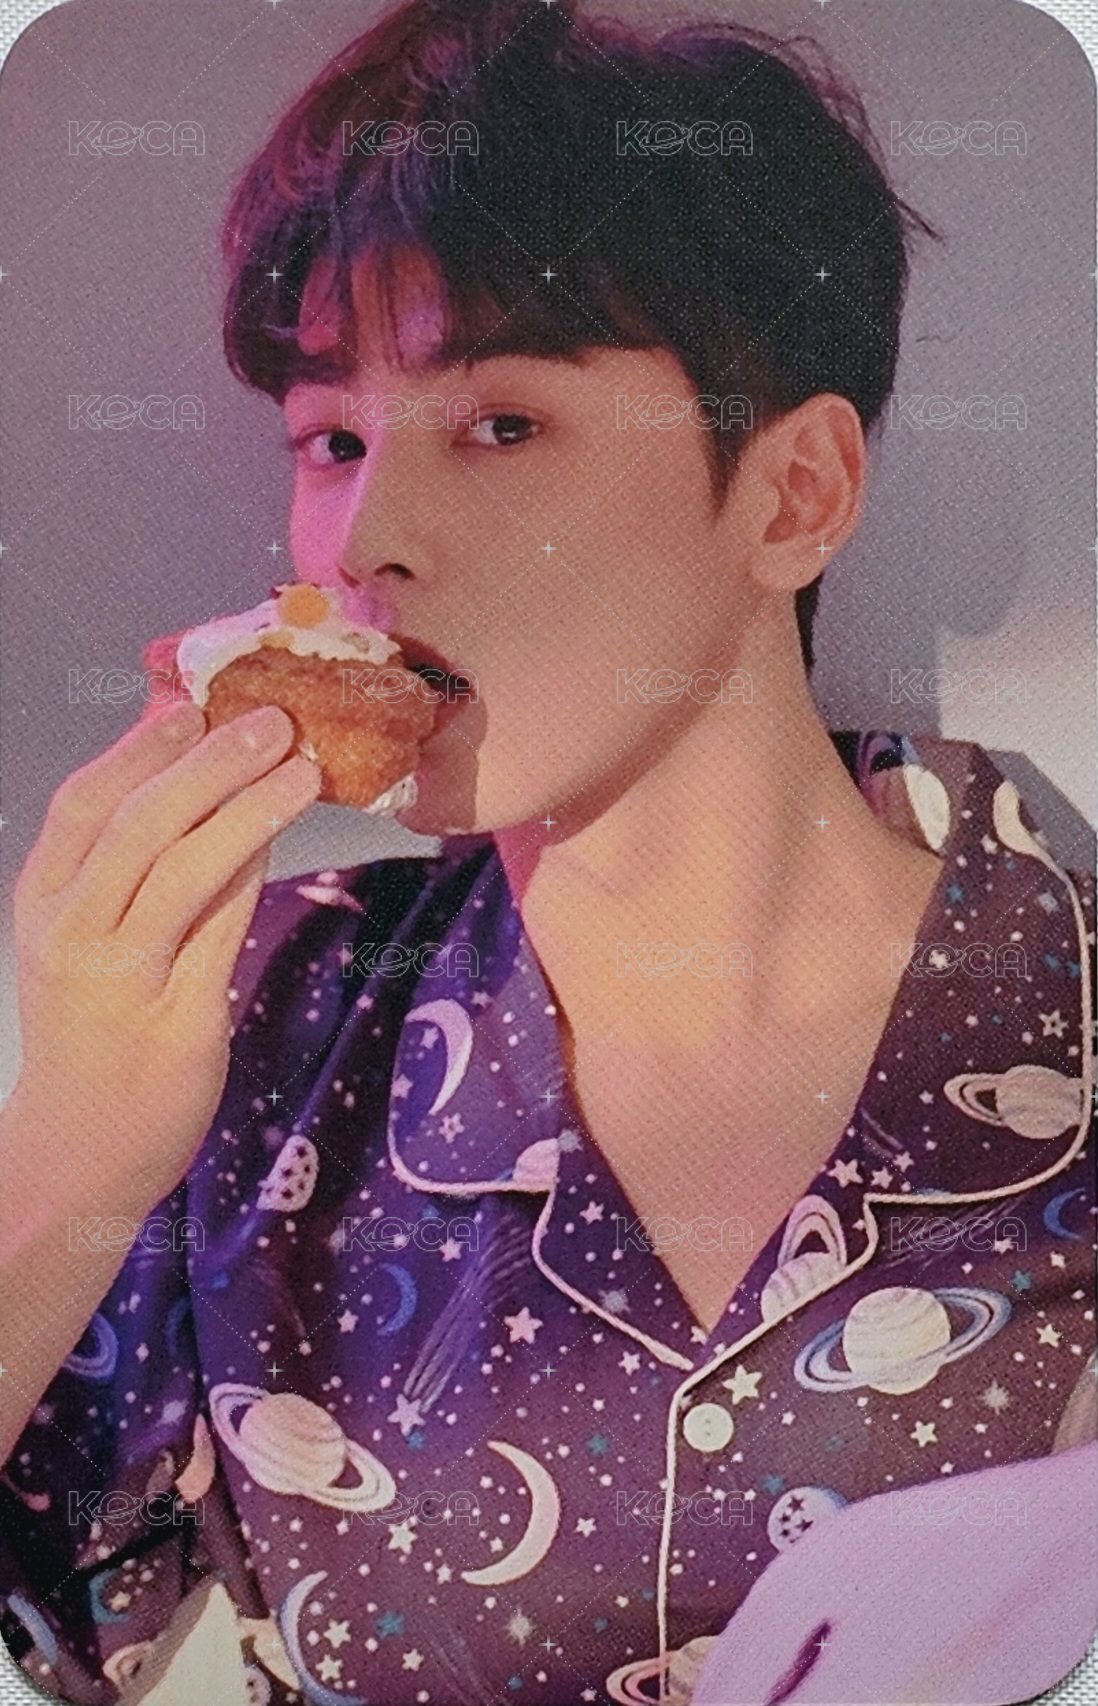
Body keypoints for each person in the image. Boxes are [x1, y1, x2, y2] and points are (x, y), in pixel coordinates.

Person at [0, 1, 1093, 1702]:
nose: (365, 542)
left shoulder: (1067, 1003)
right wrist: (63, 1158)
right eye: (331, 440)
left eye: (501, 424)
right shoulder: (246, 1026)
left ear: (794, 493)